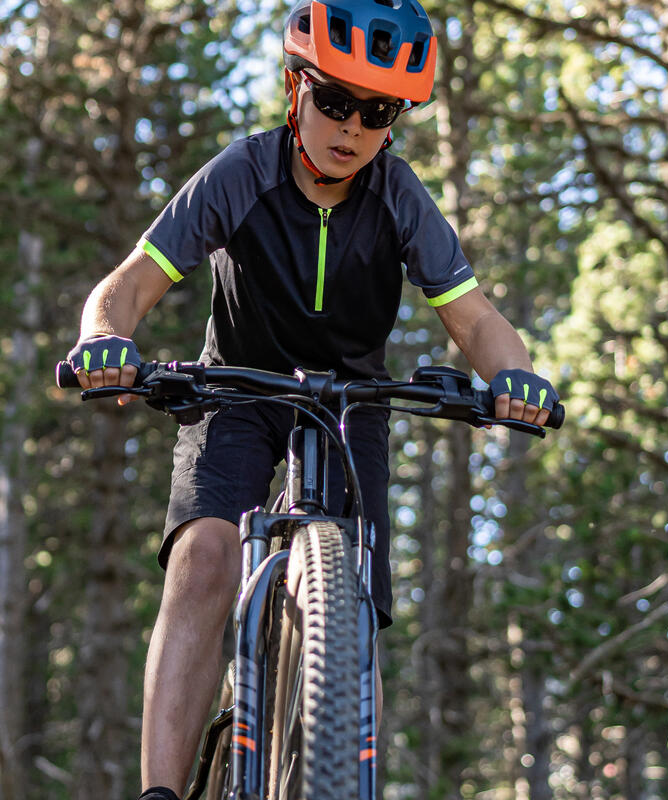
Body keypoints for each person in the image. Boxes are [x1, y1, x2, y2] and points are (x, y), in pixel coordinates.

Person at [66, 0, 559, 797]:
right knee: (204, 558)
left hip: (350, 405)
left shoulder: (398, 197)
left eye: (378, 110)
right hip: (235, 389)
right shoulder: (242, 173)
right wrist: (103, 339)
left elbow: (474, 318)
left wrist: (516, 378)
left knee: (352, 595)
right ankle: (161, 790)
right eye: (335, 100)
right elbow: (129, 284)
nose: (352, 127)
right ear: (295, 88)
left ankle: (332, 765)